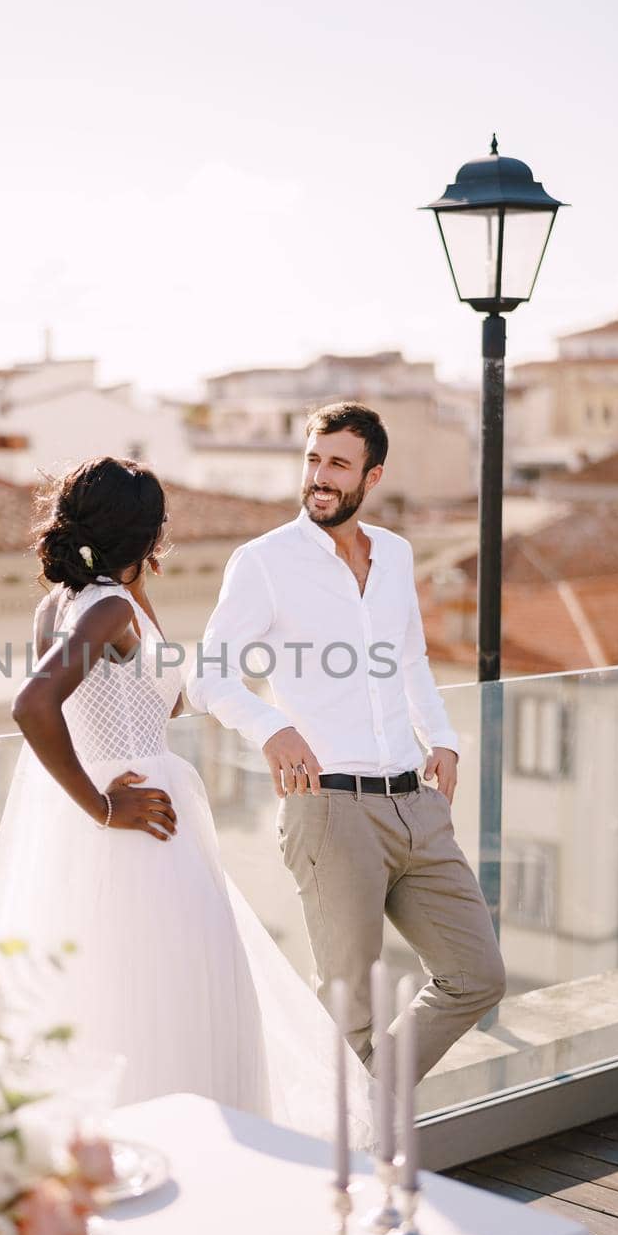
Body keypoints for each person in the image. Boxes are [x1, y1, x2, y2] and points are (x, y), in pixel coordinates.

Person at [0, 455, 374, 1147]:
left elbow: (161, 692)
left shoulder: (69, 603)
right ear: (147, 535)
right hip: (139, 823)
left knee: (122, 997)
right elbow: (34, 704)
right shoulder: (108, 608)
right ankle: (196, 1154)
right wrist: (102, 805)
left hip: (125, 820)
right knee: (180, 997)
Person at [186, 402, 506, 1083]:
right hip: (329, 813)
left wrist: (442, 739)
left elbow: (410, 657)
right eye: (312, 460)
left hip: (414, 807)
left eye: (337, 464)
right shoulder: (263, 562)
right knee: (348, 1019)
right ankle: (355, 1152)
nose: (319, 478)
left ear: (372, 475)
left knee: (475, 975)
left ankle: (363, 1116)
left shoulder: (393, 553)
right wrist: (271, 728)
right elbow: (208, 675)